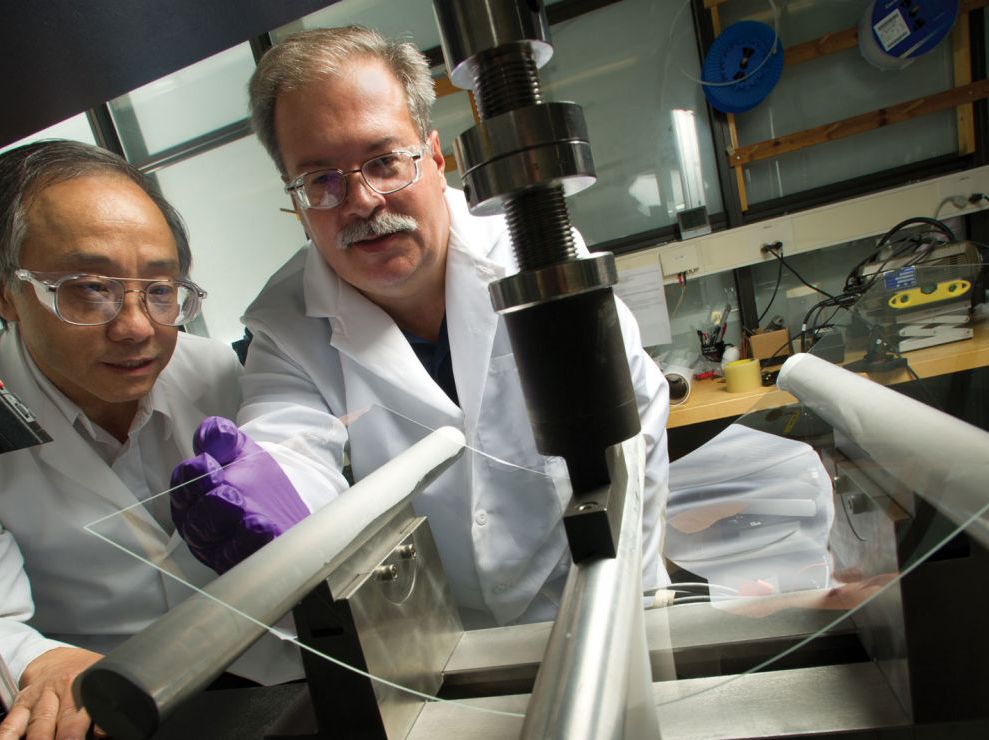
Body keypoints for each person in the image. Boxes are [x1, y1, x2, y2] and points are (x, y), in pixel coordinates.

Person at [173, 25, 671, 628]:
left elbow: (633, 426)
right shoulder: (283, 324)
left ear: (436, 159)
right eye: (321, 180)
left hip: (604, 599)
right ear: (297, 202)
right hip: (449, 644)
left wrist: (632, 615)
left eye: (384, 161)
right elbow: (294, 443)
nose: (361, 201)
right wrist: (274, 493)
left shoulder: (533, 247)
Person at [0, 140, 304, 739]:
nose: (136, 327)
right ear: (0, 288)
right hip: (110, 709)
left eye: (161, 290)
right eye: (89, 288)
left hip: (277, 684)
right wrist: (44, 661)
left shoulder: (214, 370)